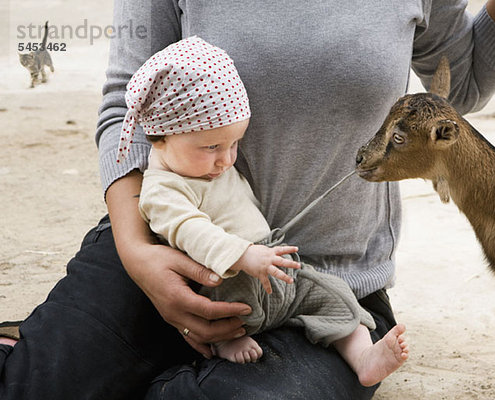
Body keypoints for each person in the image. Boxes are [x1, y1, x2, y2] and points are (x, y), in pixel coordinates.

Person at [0, 0, 495, 399]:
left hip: (319, 286)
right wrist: (136, 252)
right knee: (36, 385)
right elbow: (127, 104)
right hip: (155, 252)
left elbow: (463, 85)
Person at [130, 36, 409, 380]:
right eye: (212, 146)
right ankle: (228, 339)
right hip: (232, 277)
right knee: (222, 300)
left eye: (234, 144)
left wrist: (261, 253)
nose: (226, 159)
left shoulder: (205, 162)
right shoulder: (162, 189)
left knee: (334, 293)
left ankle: (363, 356)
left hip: (274, 267)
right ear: (159, 136)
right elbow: (191, 230)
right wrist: (243, 255)